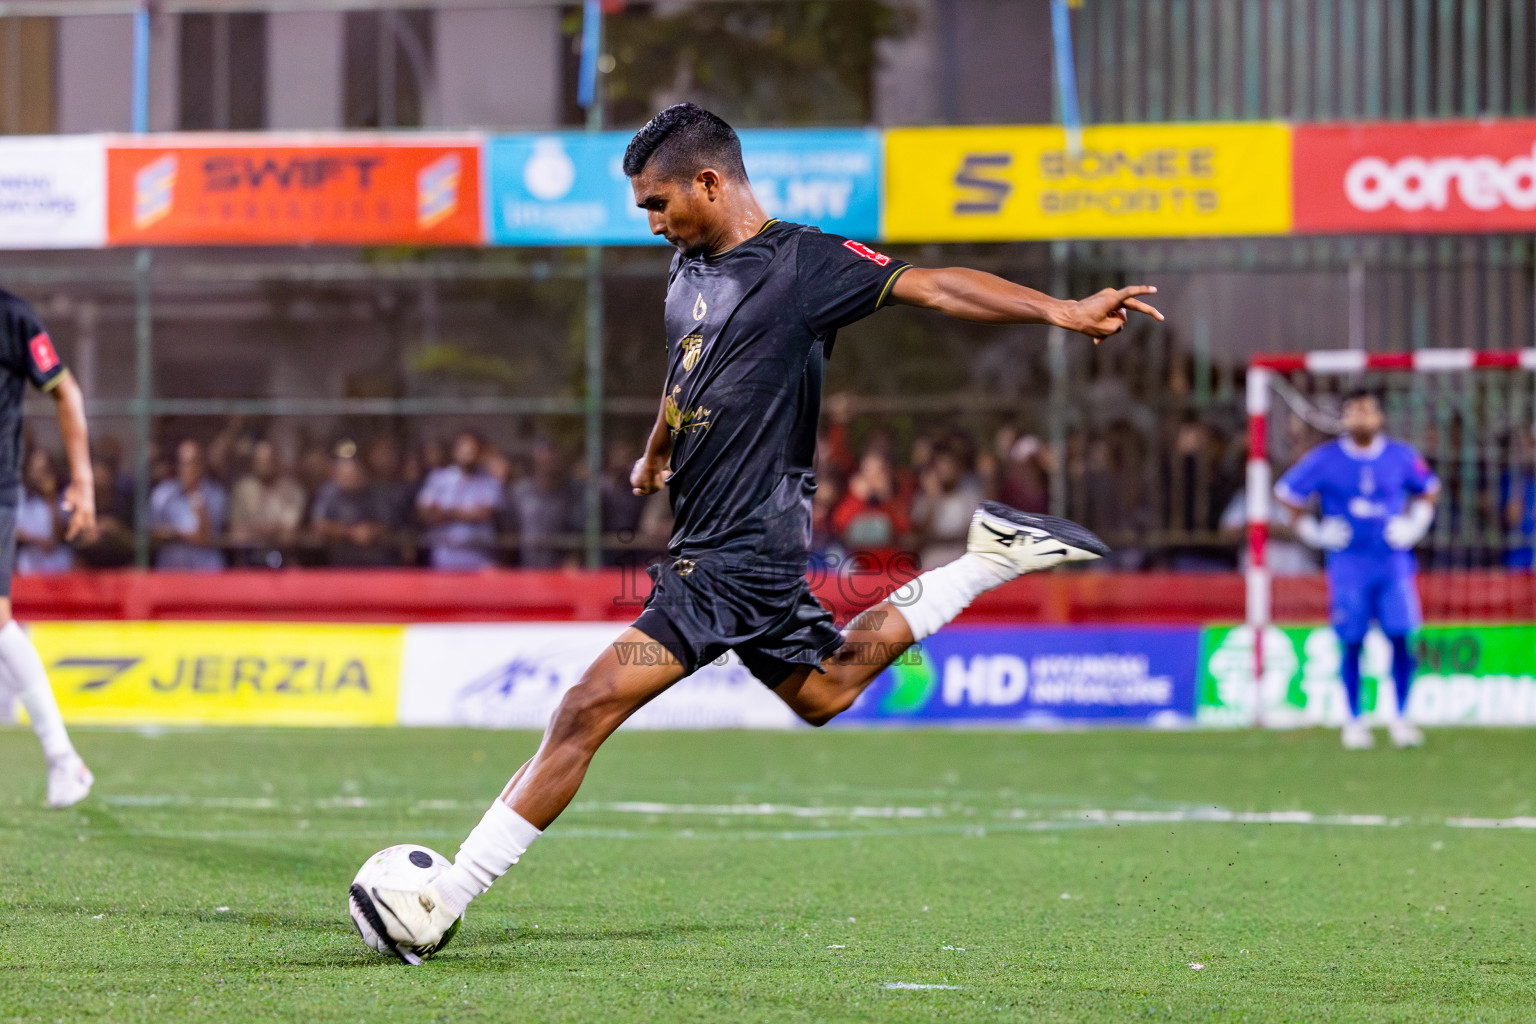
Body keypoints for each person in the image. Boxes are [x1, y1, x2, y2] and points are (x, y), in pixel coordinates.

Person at [353, 103, 1161, 960]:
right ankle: (985, 559)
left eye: (659, 203)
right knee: (826, 692)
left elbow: (934, 284)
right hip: (723, 548)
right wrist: (657, 450)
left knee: (585, 708)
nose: (653, 222)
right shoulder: (683, 272)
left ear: (710, 181)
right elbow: (685, 371)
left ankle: (442, 898)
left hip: (735, 555)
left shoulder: (804, 264)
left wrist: (1063, 312)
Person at [1276, 389, 1439, 750]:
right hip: (1349, 565)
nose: (1359, 418)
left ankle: (1401, 716)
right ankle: (1353, 719)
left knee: (1401, 637)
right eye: (1352, 412)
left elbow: (1429, 488)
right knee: (1352, 640)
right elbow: (1286, 492)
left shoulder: (1400, 456)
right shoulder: (1326, 459)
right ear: (1344, 419)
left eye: (1365, 411)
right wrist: (1314, 533)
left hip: (1393, 564)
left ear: (1379, 417)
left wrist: (1416, 525)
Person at [0, 290, 97, 807]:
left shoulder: (13, 318)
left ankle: (64, 760)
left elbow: (66, 392)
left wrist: (82, 481)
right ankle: (63, 760)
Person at [416, 430, 501, 570]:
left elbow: (482, 514)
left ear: (480, 453)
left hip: (479, 560)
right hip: (444, 560)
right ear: (455, 451)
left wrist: (445, 512)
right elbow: (425, 514)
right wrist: (465, 512)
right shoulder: (438, 478)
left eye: (473, 450)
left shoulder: (490, 481)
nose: (468, 454)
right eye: (463, 449)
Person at [312, 444, 398, 567]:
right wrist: (350, 532)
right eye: (345, 476)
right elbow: (319, 524)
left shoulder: (375, 492)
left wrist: (371, 531)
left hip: (374, 558)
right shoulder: (329, 492)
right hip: (338, 559)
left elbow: (387, 522)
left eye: (353, 475)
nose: (350, 480)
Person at [149, 439, 229, 571]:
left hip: (207, 571)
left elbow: (205, 538)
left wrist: (176, 533)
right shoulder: (162, 493)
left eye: (193, 463)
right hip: (170, 570)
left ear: (202, 465)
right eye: (184, 463)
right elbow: (151, 531)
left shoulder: (216, 494)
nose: (188, 468)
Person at [229, 439, 306, 568]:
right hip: (249, 558)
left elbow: (289, 533)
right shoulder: (243, 489)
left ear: (277, 461)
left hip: (284, 557)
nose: (264, 466)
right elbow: (237, 533)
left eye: (268, 461)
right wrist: (272, 529)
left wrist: (254, 529)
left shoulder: (293, 490)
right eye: (260, 461)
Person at [16, 448, 74, 575]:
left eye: (44, 470)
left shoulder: (63, 496)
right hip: (28, 564)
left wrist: (50, 499)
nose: (39, 475)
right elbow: (13, 531)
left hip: (58, 564)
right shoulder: (21, 496)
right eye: (35, 470)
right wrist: (37, 540)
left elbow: (62, 535)